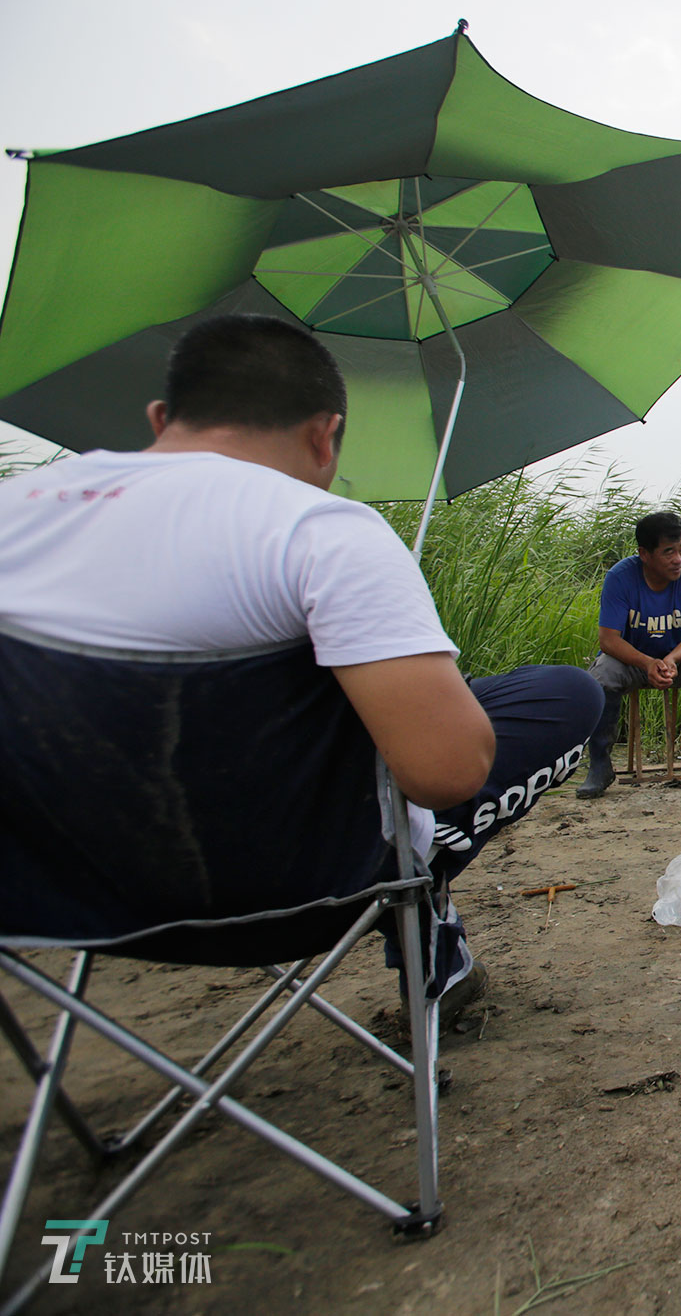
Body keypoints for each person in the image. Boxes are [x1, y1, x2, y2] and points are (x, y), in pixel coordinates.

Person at [0, 314, 601, 1024]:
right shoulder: (318, 532)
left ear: (161, 417)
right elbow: (447, 772)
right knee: (565, 694)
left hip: (40, 895)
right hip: (301, 892)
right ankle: (428, 920)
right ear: (325, 433)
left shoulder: (15, 512)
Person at [577, 511, 681, 797]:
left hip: (676, 658)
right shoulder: (620, 578)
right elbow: (608, 640)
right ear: (644, 554)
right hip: (631, 659)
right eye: (668, 552)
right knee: (601, 676)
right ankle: (599, 765)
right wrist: (646, 662)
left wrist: (671, 659)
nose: (679, 559)